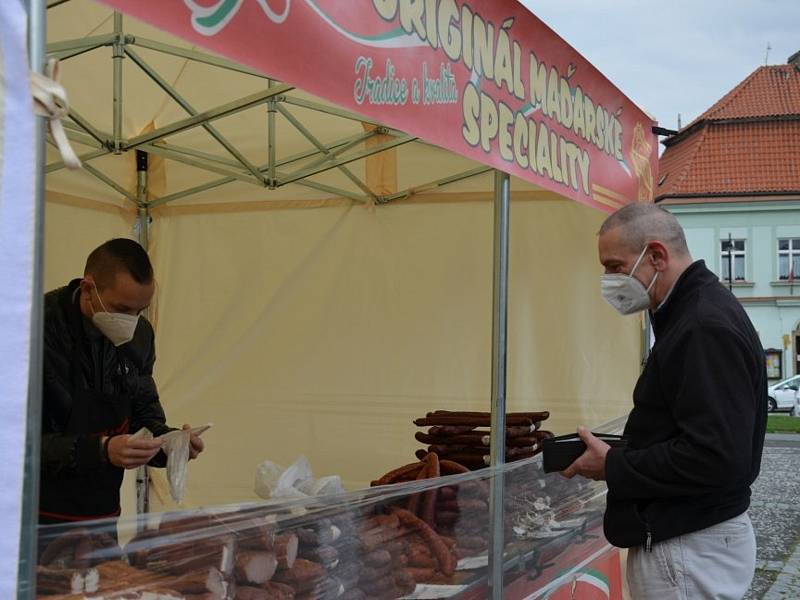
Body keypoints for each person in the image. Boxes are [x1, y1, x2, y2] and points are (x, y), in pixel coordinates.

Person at [561, 204, 766, 599]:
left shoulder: (702, 326)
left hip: (687, 544)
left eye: (615, 266)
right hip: (691, 539)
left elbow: (717, 456)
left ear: (656, 255)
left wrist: (614, 464)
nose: (608, 280)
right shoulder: (692, 313)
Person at [40, 238, 205, 526]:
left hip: (101, 514)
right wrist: (101, 450)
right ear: (89, 288)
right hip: (33, 517)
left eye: (140, 311)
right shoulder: (33, 328)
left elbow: (144, 414)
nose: (131, 320)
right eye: (122, 309)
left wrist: (170, 444)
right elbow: (14, 443)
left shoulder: (140, 336)